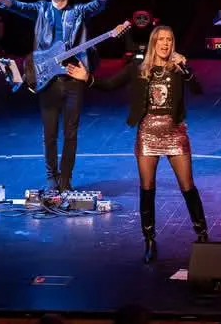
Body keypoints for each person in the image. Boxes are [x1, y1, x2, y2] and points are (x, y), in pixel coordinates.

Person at [67, 26, 207, 263]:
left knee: (187, 185)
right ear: (153, 43)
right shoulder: (138, 68)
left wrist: (187, 70)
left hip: (174, 132)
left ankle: (202, 234)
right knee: (147, 187)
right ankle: (149, 240)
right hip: (148, 133)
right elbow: (110, 84)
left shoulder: (178, 68)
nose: (165, 44)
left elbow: (198, 89)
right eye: (161, 39)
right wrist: (87, 78)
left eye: (169, 40)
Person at [0, 0, 110, 191]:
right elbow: (19, 6)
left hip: (73, 78)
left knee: (70, 134)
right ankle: (52, 179)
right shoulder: (41, 9)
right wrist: (3, 0)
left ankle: (65, 180)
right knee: (50, 134)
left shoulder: (78, 11)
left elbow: (97, 6)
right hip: (48, 79)